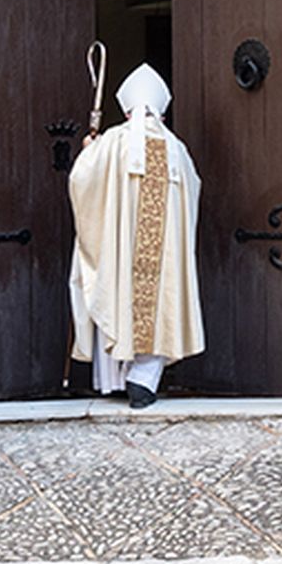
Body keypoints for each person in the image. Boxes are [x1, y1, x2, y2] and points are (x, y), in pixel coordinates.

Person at [68, 64, 203, 409]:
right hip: (164, 255)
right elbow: (192, 195)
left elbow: (82, 181)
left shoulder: (112, 140)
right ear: (160, 109)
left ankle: (113, 380)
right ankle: (143, 380)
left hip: (122, 250)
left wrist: (87, 150)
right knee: (160, 302)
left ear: (127, 109)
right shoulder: (176, 148)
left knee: (118, 290)